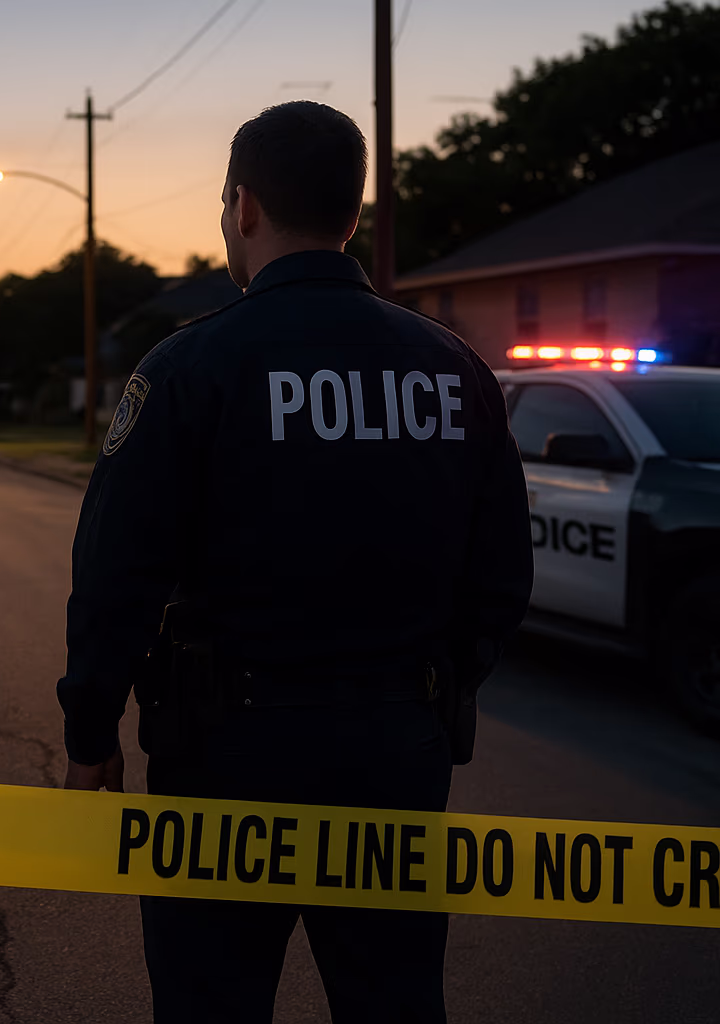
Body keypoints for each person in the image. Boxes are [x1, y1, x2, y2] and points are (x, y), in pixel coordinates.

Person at [57, 101, 534, 1023]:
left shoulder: (193, 366)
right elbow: (501, 577)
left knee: (212, 1001)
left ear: (242, 208)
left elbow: (116, 576)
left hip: (225, 755)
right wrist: (428, 695)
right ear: (351, 215)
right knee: (394, 1000)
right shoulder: (454, 369)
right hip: (399, 751)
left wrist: (91, 735)